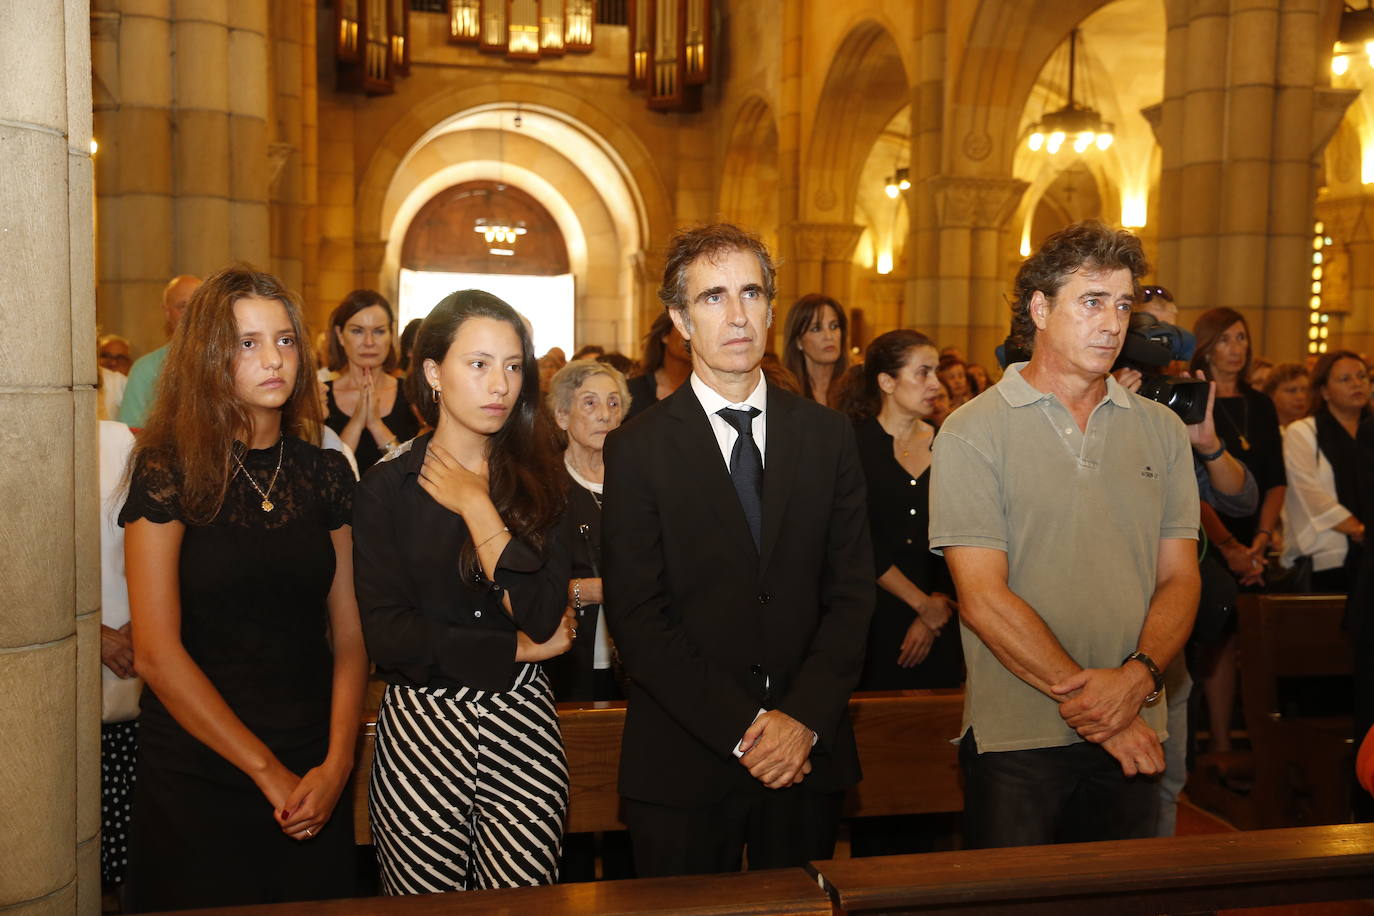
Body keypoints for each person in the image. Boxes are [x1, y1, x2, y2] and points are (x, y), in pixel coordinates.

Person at [602, 223, 874, 877]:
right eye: (713, 297)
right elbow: (640, 619)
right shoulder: (637, 449)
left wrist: (801, 719)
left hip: (806, 754)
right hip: (685, 759)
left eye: (751, 293)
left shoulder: (827, 436)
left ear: (772, 308)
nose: (737, 315)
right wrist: (749, 727)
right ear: (679, 318)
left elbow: (851, 595)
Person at [930, 220, 1200, 849]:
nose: (1112, 322)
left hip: (1139, 721)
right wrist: (1103, 715)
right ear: (1041, 308)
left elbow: (1180, 576)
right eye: (1092, 301)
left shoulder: (1160, 430)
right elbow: (982, 599)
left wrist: (1136, 679)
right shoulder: (973, 430)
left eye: (1123, 304)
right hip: (1020, 737)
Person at [120, 267, 366, 910]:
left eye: (284, 341)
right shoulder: (167, 469)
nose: (273, 360)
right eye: (247, 343)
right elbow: (155, 653)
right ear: (207, 355)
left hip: (313, 763)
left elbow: (350, 638)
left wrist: (338, 764)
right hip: (199, 768)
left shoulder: (324, 472)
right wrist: (266, 772)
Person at [353, 289, 577, 894]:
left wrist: (477, 507)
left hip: (522, 727)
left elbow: (538, 610)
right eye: (478, 364)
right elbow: (390, 637)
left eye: (511, 365)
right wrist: (515, 652)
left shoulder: (543, 479)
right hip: (423, 725)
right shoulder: (385, 488)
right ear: (433, 372)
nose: (499, 383)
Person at [1189, 307, 1286, 756]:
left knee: (1250, 642)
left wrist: (1260, 542)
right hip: (1209, 538)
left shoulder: (1260, 404)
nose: (1236, 348)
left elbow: (1275, 479)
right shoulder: (1192, 399)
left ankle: (1246, 747)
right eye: (1225, 339)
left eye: (1242, 339)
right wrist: (1228, 547)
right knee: (1214, 639)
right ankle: (1217, 746)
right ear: (1205, 346)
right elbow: (1193, 488)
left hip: (1256, 539)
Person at [842, 330, 962, 691]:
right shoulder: (851, 444)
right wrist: (919, 604)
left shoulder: (950, 442)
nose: (936, 384)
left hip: (942, 617)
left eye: (937, 372)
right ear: (886, 381)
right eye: (923, 372)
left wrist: (935, 605)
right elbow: (854, 538)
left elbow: (961, 530)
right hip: (872, 616)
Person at [545, 358, 630, 703]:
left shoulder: (640, 483)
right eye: (590, 403)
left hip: (634, 660)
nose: (605, 414)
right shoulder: (544, 489)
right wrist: (584, 590)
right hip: (566, 658)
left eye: (613, 402)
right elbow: (521, 588)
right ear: (562, 416)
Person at [1280, 350, 1371, 594]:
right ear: (1324, 391)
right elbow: (1308, 492)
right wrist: (1360, 531)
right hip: (1328, 555)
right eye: (1345, 379)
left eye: (1362, 376)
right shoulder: (1304, 432)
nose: (1357, 383)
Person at [323, 290, 421, 473]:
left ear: (391, 334)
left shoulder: (411, 394)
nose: (369, 342)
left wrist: (376, 424)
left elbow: (411, 474)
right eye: (357, 331)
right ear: (340, 335)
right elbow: (328, 476)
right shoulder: (320, 398)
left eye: (379, 331)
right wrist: (357, 422)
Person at [119, 275, 201, 428]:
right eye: (183, 306)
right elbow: (131, 436)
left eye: (199, 305)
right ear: (167, 312)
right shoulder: (145, 369)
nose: (192, 314)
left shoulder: (233, 361)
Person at [781, 293, 849, 408]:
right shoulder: (785, 393)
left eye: (834, 326)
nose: (829, 336)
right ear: (798, 341)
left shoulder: (855, 391)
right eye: (816, 329)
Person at [625, 310, 691, 421]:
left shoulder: (707, 391)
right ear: (665, 335)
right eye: (684, 326)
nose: (690, 336)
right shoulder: (632, 391)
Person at [1263, 362, 1311, 429]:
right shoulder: (1262, 428)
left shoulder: (1314, 428)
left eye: (1305, 390)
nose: (1301, 397)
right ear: (1271, 394)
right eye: (1292, 391)